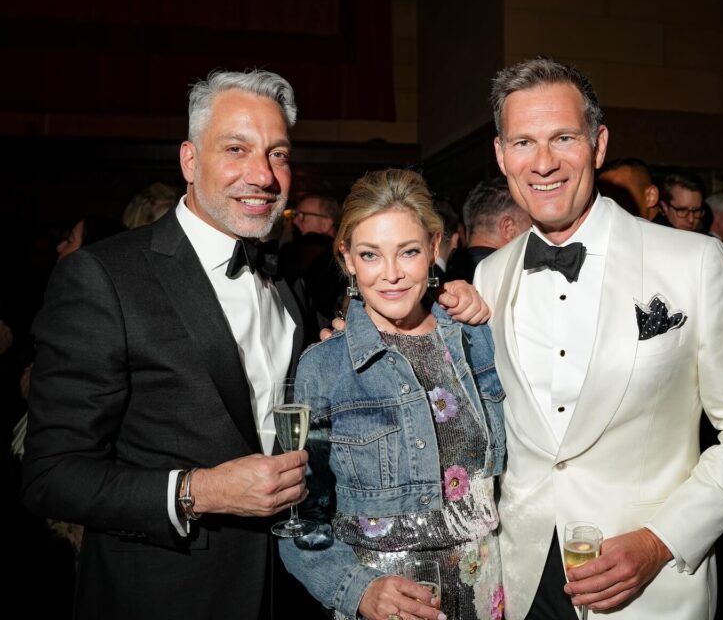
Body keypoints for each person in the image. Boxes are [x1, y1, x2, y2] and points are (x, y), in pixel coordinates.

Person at [475, 56, 723, 619]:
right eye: (523, 143)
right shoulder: (488, 277)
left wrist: (659, 540)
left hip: (649, 586)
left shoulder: (693, 261)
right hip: (521, 583)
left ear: (598, 145)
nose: (543, 162)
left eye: (563, 138)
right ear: (501, 155)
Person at [21, 69, 320, 620]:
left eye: (277, 154)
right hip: (162, 596)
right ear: (189, 159)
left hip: (286, 590)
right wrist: (200, 491)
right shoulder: (105, 277)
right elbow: (52, 475)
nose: (262, 175)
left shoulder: (289, 281)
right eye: (236, 149)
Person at [280, 168, 506, 620]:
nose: (391, 275)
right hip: (385, 608)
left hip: (484, 594)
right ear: (347, 258)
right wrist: (358, 591)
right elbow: (298, 518)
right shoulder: (324, 366)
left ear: (434, 247)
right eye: (370, 255)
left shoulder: (475, 338)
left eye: (408, 252)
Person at [446, 177, 530, 283]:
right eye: (531, 226)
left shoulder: (445, 281)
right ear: (509, 229)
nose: (536, 233)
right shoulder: (520, 279)